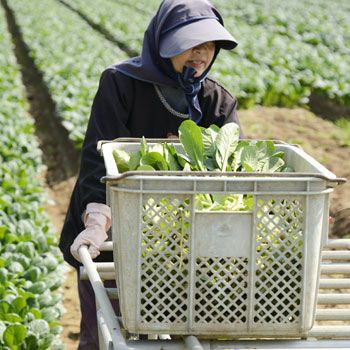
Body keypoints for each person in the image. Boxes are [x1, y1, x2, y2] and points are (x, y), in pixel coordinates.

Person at [59, 0, 243, 348]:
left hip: (187, 249)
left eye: (208, 44)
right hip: (115, 236)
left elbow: (231, 173)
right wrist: (97, 221)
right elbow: (97, 159)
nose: (200, 53)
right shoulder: (121, 84)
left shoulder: (218, 101)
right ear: (162, 44)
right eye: (190, 44)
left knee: (185, 333)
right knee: (103, 332)